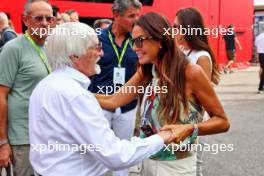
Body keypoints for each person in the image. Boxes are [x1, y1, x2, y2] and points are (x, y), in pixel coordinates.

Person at [29, 22, 175, 176]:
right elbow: (115, 156)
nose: (101, 54)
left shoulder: (44, 86)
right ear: (75, 57)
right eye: (96, 47)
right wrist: (161, 138)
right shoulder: (76, 96)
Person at [95, 12, 230, 176]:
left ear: (159, 40)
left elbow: (222, 122)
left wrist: (190, 128)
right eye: (132, 41)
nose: (134, 48)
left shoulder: (190, 72)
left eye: (139, 41)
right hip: (145, 161)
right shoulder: (147, 70)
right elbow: (113, 100)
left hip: (175, 167)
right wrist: (74, 94)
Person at [0, 1, 54, 175]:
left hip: (49, 135)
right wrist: (3, 143)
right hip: (23, 139)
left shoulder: (51, 48)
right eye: (39, 18)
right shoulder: (13, 48)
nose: (45, 23)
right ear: (25, 20)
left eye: (49, 18)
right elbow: (1, 96)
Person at [89, 1, 141, 175]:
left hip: (127, 106)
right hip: (100, 105)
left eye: (137, 15)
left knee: (123, 153)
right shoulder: (96, 38)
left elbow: (142, 72)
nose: (136, 20)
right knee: (97, 153)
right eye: (131, 15)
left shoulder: (138, 40)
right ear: (116, 15)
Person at [174, 7, 221, 176]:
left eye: (176, 27)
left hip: (194, 118)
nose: (173, 31)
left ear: (188, 28)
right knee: (180, 162)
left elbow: (203, 96)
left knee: (195, 165)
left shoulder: (201, 56)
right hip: (179, 116)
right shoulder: (181, 52)